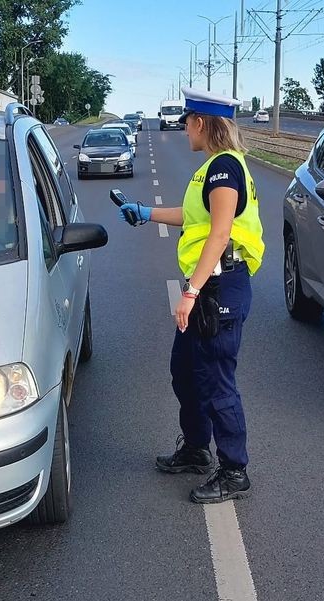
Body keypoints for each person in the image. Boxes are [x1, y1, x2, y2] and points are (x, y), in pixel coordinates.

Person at [117, 88, 265, 504]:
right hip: (209, 284)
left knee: (216, 380)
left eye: (187, 122)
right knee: (185, 370)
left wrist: (191, 292)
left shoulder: (224, 168)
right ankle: (197, 448)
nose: (184, 129)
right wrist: (146, 213)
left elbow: (220, 232)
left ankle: (234, 471)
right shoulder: (213, 168)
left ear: (201, 122)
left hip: (219, 286)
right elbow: (194, 217)